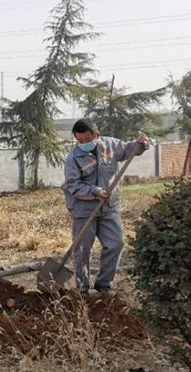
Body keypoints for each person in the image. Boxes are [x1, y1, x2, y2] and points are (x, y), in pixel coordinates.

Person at [62, 119, 149, 295]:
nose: (84, 144)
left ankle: (104, 284)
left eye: (87, 140)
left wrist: (141, 144)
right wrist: (94, 191)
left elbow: (130, 149)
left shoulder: (110, 145)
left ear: (97, 135)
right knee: (82, 250)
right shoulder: (73, 158)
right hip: (83, 209)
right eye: (80, 141)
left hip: (109, 206)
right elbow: (73, 185)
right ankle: (82, 288)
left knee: (116, 244)